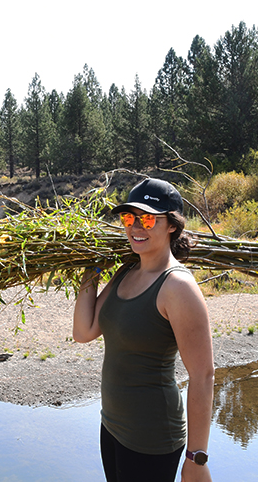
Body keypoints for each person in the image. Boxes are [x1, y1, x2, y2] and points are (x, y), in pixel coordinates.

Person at [73, 178, 214, 482]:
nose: (136, 226)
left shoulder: (177, 287)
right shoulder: (127, 272)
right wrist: (91, 269)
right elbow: (84, 331)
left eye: (148, 218)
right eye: (128, 217)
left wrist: (197, 457)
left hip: (151, 437)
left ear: (172, 226)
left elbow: (203, 376)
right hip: (111, 426)